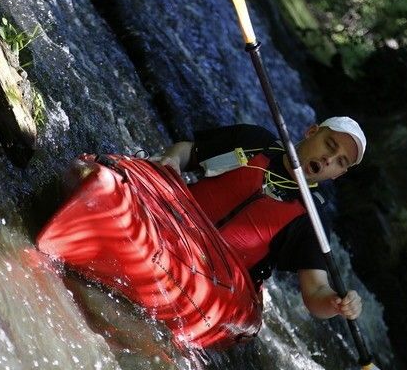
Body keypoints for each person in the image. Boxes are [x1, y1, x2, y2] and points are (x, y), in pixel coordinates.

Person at [149, 117, 365, 321]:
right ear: (311, 132)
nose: (329, 159)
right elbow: (190, 151)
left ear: (338, 174)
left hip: (210, 279)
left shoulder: (313, 219)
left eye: (340, 161)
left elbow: (316, 290)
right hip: (171, 221)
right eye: (330, 144)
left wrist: (335, 303)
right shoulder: (253, 141)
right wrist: (174, 159)